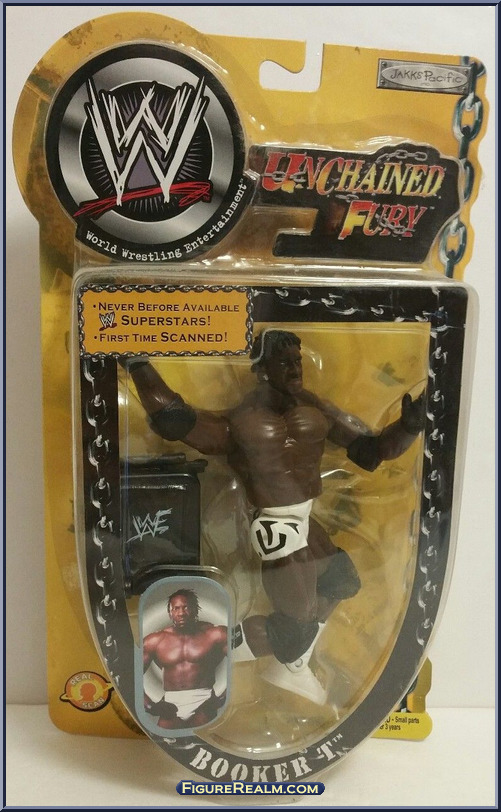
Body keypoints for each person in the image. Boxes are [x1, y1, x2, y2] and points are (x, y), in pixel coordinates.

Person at [127, 329, 425, 705]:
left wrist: (409, 426)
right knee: (293, 627)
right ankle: (191, 654)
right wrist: (136, 362)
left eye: (297, 361)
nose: (294, 368)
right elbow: (175, 419)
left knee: (340, 578)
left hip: (304, 516)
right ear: (262, 369)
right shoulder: (243, 421)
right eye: (284, 362)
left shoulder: (315, 409)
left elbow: (370, 451)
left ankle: (291, 667)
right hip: (274, 523)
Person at [143, 589, 227, 728]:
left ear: (195, 609)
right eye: (176, 608)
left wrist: (222, 698)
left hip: (203, 698)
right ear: (170, 612)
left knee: (203, 738)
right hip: (171, 701)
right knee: (165, 738)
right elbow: (132, 675)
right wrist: (149, 705)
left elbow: (240, 663)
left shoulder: (215, 634)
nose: (181, 613)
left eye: (186, 607)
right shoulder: (155, 640)